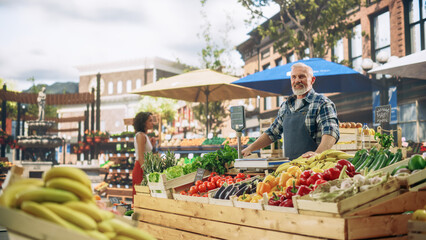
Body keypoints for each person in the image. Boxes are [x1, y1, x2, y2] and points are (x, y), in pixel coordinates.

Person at [241, 62, 340, 160]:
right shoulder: (286, 105)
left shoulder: (322, 103)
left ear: (312, 80)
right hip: (291, 168)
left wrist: (317, 154)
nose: (297, 80)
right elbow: (272, 133)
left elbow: (331, 132)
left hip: (314, 168)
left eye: (302, 77)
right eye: (294, 77)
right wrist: (250, 148)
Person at [132, 112, 154, 202]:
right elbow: (141, 156)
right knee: (141, 196)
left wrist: (152, 145)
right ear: (143, 122)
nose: (152, 123)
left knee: (145, 196)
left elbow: (146, 153)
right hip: (141, 168)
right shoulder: (140, 136)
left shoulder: (144, 135)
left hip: (144, 167)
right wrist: (146, 172)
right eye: (150, 120)